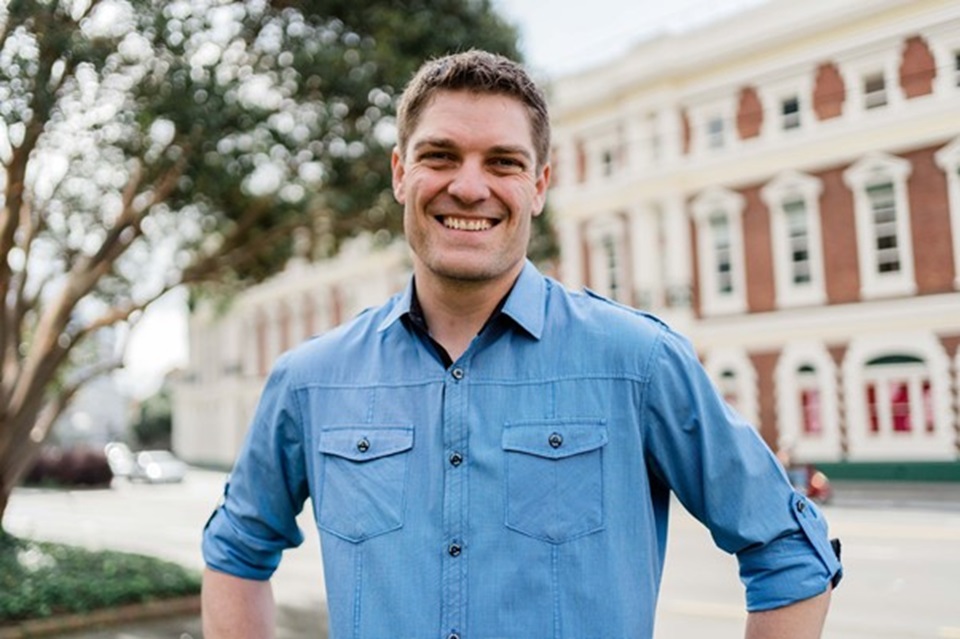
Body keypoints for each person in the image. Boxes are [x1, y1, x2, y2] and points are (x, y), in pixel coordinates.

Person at [201, 49, 842, 639]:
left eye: (503, 162)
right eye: (440, 156)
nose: (470, 187)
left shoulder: (639, 363)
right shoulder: (311, 379)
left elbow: (788, 553)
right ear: (401, 173)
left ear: (538, 184)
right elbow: (235, 550)